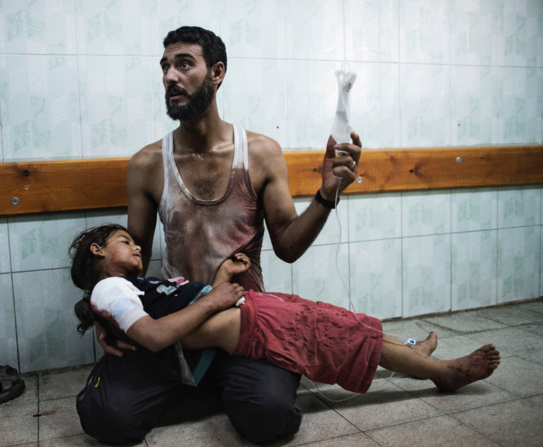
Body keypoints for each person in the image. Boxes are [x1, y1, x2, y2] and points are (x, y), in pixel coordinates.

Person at [89, 25, 364, 444]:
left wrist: (327, 194)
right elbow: (130, 266)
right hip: (178, 323)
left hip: (243, 319)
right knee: (106, 418)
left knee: (270, 420)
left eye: (184, 64)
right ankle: (224, 388)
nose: (169, 77)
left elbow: (288, 246)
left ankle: (232, 385)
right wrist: (105, 313)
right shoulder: (147, 164)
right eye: (165, 67)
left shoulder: (260, 153)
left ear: (217, 72)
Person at [72, 224, 501, 435]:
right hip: (243, 321)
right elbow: (158, 334)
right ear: (98, 250)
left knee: (336, 326)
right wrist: (218, 297)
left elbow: (184, 314)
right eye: (126, 241)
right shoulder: (112, 287)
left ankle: (414, 355)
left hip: (241, 316)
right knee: (330, 334)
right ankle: (442, 372)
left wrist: (220, 280)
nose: (139, 246)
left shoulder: (136, 287)